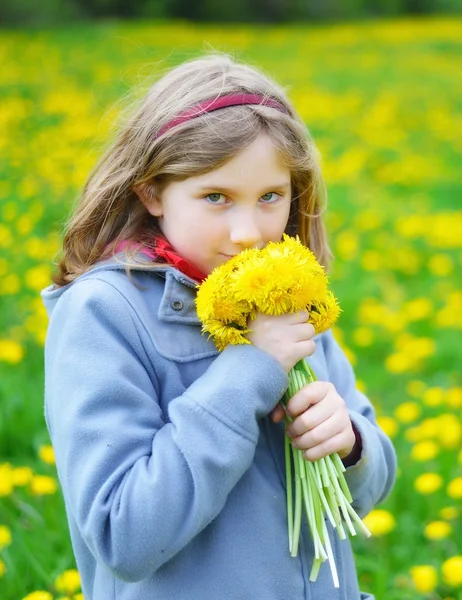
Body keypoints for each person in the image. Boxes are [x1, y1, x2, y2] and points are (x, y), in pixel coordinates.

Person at [41, 54, 396, 600]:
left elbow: (369, 488)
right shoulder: (103, 314)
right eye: (216, 197)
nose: (248, 232)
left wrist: (350, 445)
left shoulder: (286, 294)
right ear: (152, 190)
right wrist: (250, 370)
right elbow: (123, 535)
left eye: (270, 197)